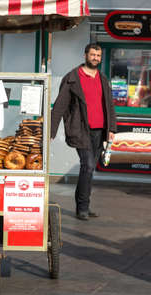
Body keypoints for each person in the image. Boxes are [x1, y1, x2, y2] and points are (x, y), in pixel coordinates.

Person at [50, 43, 117, 221]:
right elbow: (60, 106)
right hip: (80, 129)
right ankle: (82, 208)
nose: (96, 58)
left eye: (98, 55)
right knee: (87, 165)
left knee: (89, 168)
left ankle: (83, 205)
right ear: (85, 55)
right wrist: (51, 130)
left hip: (100, 130)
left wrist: (111, 129)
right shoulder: (72, 78)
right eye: (93, 55)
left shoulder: (103, 79)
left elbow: (109, 105)